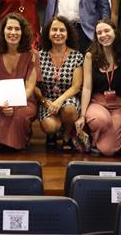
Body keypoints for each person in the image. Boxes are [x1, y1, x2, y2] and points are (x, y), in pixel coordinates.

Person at [0, 13, 40, 151]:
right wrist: (2, 104)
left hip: (23, 100)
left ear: (23, 32)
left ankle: (15, 141)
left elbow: (30, 87)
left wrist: (14, 103)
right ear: (3, 31)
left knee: (19, 115)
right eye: (9, 28)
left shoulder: (33, 55)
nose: (13, 32)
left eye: (17, 29)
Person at [75, 19, 121, 156]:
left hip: (119, 106)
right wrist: (82, 116)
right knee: (101, 120)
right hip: (98, 102)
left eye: (106, 31)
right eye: (99, 33)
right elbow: (87, 87)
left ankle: (95, 142)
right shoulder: (90, 56)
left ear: (115, 32)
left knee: (109, 150)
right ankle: (94, 139)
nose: (103, 35)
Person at [35, 16, 84, 151]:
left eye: (62, 30)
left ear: (68, 34)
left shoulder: (77, 56)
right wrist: (44, 101)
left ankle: (67, 134)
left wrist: (60, 101)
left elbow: (76, 86)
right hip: (47, 100)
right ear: (48, 34)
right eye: (54, 30)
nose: (58, 33)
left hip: (68, 98)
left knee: (70, 111)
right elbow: (34, 86)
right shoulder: (39, 56)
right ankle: (52, 134)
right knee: (50, 126)